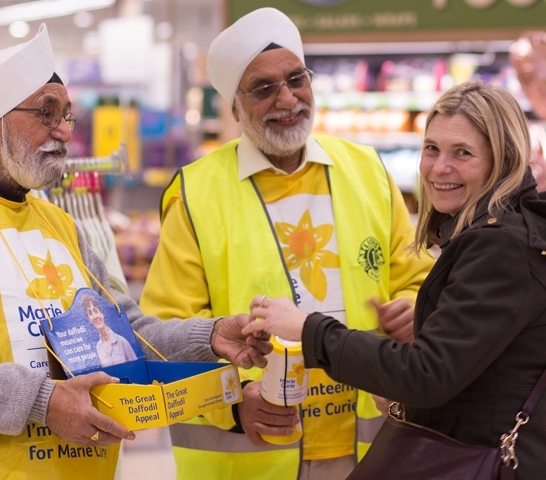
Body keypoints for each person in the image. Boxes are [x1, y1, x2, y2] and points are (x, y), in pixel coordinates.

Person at [0, 24, 271, 480]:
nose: (63, 131)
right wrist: (46, 402)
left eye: (67, 115)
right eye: (46, 113)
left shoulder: (58, 224)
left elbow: (124, 330)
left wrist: (210, 336)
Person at [139, 7, 435, 480]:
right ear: (233, 107)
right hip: (255, 459)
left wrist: (413, 308)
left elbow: (418, 279)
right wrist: (233, 403)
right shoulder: (195, 193)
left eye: (297, 78)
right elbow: (164, 335)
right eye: (263, 88)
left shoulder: (367, 171)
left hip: (373, 451)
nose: (288, 98)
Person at [244, 80, 546, 480]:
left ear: (502, 159)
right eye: (432, 148)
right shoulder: (501, 231)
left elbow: (428, 375)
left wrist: (308, 329)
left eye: (463, 153)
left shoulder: (499, 246)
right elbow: (474, 373)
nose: (439, 168)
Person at [81, 293, 138, 367]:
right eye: (90, 313)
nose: (95, 316)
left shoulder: (122, 341)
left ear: (101, 313)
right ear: (89, 319)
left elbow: (136, 367)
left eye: (95, 311)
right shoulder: (98, 347)